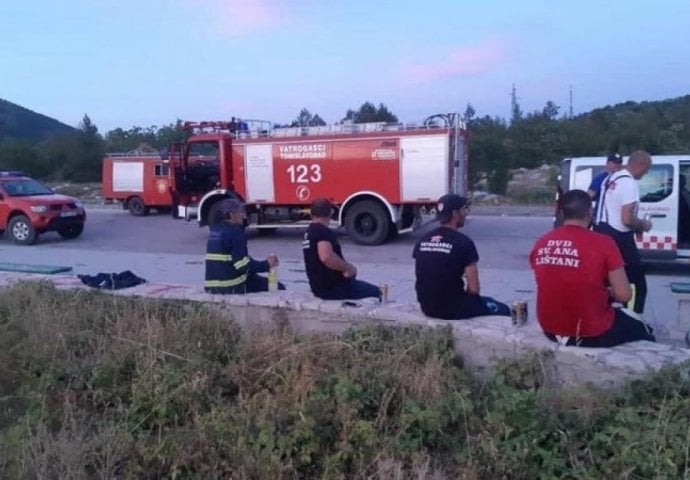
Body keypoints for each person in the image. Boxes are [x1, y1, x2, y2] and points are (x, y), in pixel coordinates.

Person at [530, 189, 655, 347]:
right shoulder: (604, 243)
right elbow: (624, 295)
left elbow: (555, 280)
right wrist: (608, 292)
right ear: (590, 211)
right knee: (644, 330)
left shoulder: (542, 242)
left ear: (562, 212)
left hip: (549, 328)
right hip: (591, 331)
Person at [412, 193, 510, 320]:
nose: (465, 214)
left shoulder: (422, 240)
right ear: (455, 214)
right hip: (454, 309)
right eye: (463, 210)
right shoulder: (464, 243)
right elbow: (474, 289)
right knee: (503, 309)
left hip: (427, 308)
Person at [593, 150, 652, 315]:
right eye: (646, 170)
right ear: (640, 165)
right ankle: (635, 320)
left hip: (603, 232)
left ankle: (600, 314)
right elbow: (626, 219)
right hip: (620, 237)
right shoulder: (629, 183)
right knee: (637, 284)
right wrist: (643, 225)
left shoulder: (611, 178)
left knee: (606, 281)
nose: (645, 174)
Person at [302, 198, 380, 300]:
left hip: (319, 288)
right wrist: (347, 267)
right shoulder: (322, 231)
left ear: (311, 214)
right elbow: (326, 257)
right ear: (330, 213)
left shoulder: (309, 232)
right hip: (334, 288)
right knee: (378, 292)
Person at [204, 198, 285, 294]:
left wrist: (260, 265)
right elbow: (243, 266)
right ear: (231, 215)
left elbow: (237, 259)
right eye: (240, 212)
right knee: (278, 287)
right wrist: (266, 265)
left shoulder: (216, 231)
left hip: (211, 287)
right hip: (231, 286)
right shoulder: (235, 232)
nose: (244, 215)